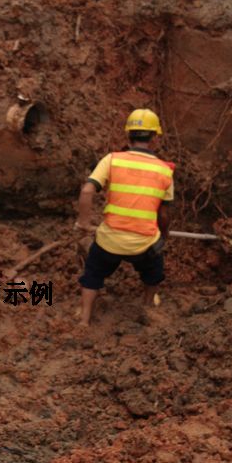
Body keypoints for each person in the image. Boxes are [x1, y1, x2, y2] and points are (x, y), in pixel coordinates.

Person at [75, 108, 175, 327]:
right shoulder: (164, 171)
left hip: (109, 241)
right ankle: (147, 308)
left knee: (92, 273)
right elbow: (164, 214)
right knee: (154, 274)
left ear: (128, 135)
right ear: (154, 139)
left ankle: (84, 320)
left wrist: (83, 222)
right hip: (143, 244)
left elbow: (87, 191)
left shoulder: (112, 160)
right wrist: (163, 237)